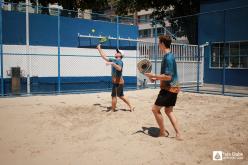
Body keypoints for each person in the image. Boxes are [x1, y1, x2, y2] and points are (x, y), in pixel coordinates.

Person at [145, 35, 182, 140]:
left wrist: (154, 75)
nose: (158, 44)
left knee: (155, 109)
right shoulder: (168, 56)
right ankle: (178, 134)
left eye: (159, 42)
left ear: (162, 43)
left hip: (169, 89)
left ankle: (162, 132)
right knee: (168, 111)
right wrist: (155, 78)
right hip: (173, 88)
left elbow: (168, 76)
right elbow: (168, 76)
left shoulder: (168, 57)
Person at [97, 44, 134, 112]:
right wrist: (99, 48)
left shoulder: (119, 61)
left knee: (114, 96)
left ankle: (113, 109)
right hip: (117, 82)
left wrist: (112, 64)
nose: (116, 52)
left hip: (118, 82)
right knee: (121, 96)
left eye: (118, 52)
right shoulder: (114, 60)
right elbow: (104, 57)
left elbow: (119, 68)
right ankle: (131, 106)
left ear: (120, 55)